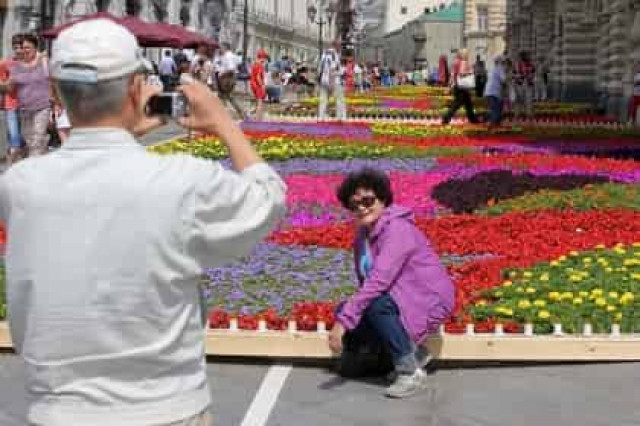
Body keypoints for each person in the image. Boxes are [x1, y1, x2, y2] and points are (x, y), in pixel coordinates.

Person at [0, 19, 286, 425]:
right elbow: (268, 200)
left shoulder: (20, 185)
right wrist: (223, 122)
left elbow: (96, 182)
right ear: (136, 89)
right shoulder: (181, 181)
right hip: (163, 406)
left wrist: (120, 133)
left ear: (54, 91)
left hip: (57, 409)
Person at [329, 169, 454, 399]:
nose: (361, 208)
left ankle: (409, 370)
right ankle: (412, 352)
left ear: (383, 199)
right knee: (346, 309)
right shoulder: (363, 235)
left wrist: (343, 323)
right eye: (354, 204)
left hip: (425, 299)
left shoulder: (397, 229)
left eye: (368, 200)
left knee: (372, 303)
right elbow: (365, 281)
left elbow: (378, 282)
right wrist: (345, 315)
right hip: (398, 297)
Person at [0, 34, 51, 158]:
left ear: (35, 47)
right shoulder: (15, 66)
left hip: (42, 106)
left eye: (28, 47)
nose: (24, 50)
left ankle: (34, 168)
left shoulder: (44, 61)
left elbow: (53, 81)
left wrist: (57, 104)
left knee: (38, 138)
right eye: (23, 48)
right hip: (24, 109)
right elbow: (9, 88)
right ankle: (41, 158)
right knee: (29, 139)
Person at [0, 34, 25, 165]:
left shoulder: (31, 63)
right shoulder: (5, 64)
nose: (18, 50)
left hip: (28, 105)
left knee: (21, 135)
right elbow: (2, 84)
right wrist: (8, 83)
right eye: (16, 47)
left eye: (21, 47)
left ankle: (18, 155)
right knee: (14, 133)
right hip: (11, 104)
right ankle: (14, 162)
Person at [442, 49, 479, 125]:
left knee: (468, 104)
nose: (467, 55)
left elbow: (453, 75)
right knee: (457, 104)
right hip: (461, 87)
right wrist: (469, 72)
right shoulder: (462, 63)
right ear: (462, 54)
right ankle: (446, 118)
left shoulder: (456, 62)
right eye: (466, 54)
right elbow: (459, 74)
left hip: (460, 87)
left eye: (467, 54)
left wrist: (450, 87)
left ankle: (473, 120)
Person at [215, 42, 245, 119]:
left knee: (226, 96)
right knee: (225, 96)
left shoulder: (228, 56)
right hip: (228, 77)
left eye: (221, 47)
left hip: (227, 78)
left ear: (225, 47)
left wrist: (222, 74)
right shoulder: (230, 55)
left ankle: (239, 112)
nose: (219, 49)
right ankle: (223, 113)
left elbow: (231, 69)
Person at [318, 43, 346, 121]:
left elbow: (320, 69)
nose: (341, 48)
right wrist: (331, 82)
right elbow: (332, 69)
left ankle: (321, 117)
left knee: (323, 100)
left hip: (323, 80)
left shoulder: (323, 55)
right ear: (337, 46)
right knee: (339, 99)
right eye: (340, 46)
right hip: (333, 81)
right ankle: (340, 117)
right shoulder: (334, 55)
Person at [484, 55, 507, 128]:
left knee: (495, 109)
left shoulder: (492, 68)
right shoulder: (500, 68)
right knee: (496, 110)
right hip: (495, 93)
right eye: (503, 62)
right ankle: (493, 127)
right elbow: (504, 80)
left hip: (488, 92)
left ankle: (496, 125)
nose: (504, 63)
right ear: (500, 62)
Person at [514, 51, 535, 118]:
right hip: (519, 84)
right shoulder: (517, 65)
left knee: (529, 99)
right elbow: (514, 74)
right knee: (519, 99)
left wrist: (530, 76)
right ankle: (518, 113)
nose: (529, 57)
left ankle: (529, 114)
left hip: (528, 84)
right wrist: (520, 76)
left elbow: (533, 73)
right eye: (527, 55)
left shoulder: (531, 64)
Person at [250, 49, 268, 121]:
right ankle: (258, 118)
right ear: (263, 57)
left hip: (253, 84)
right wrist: (262, 85)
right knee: (260, 102)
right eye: (265, 58)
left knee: (257, 101)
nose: (265, 60)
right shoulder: (260, 65)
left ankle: (253, 115)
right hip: (257, 85)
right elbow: (258, 77)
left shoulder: (254, 64)